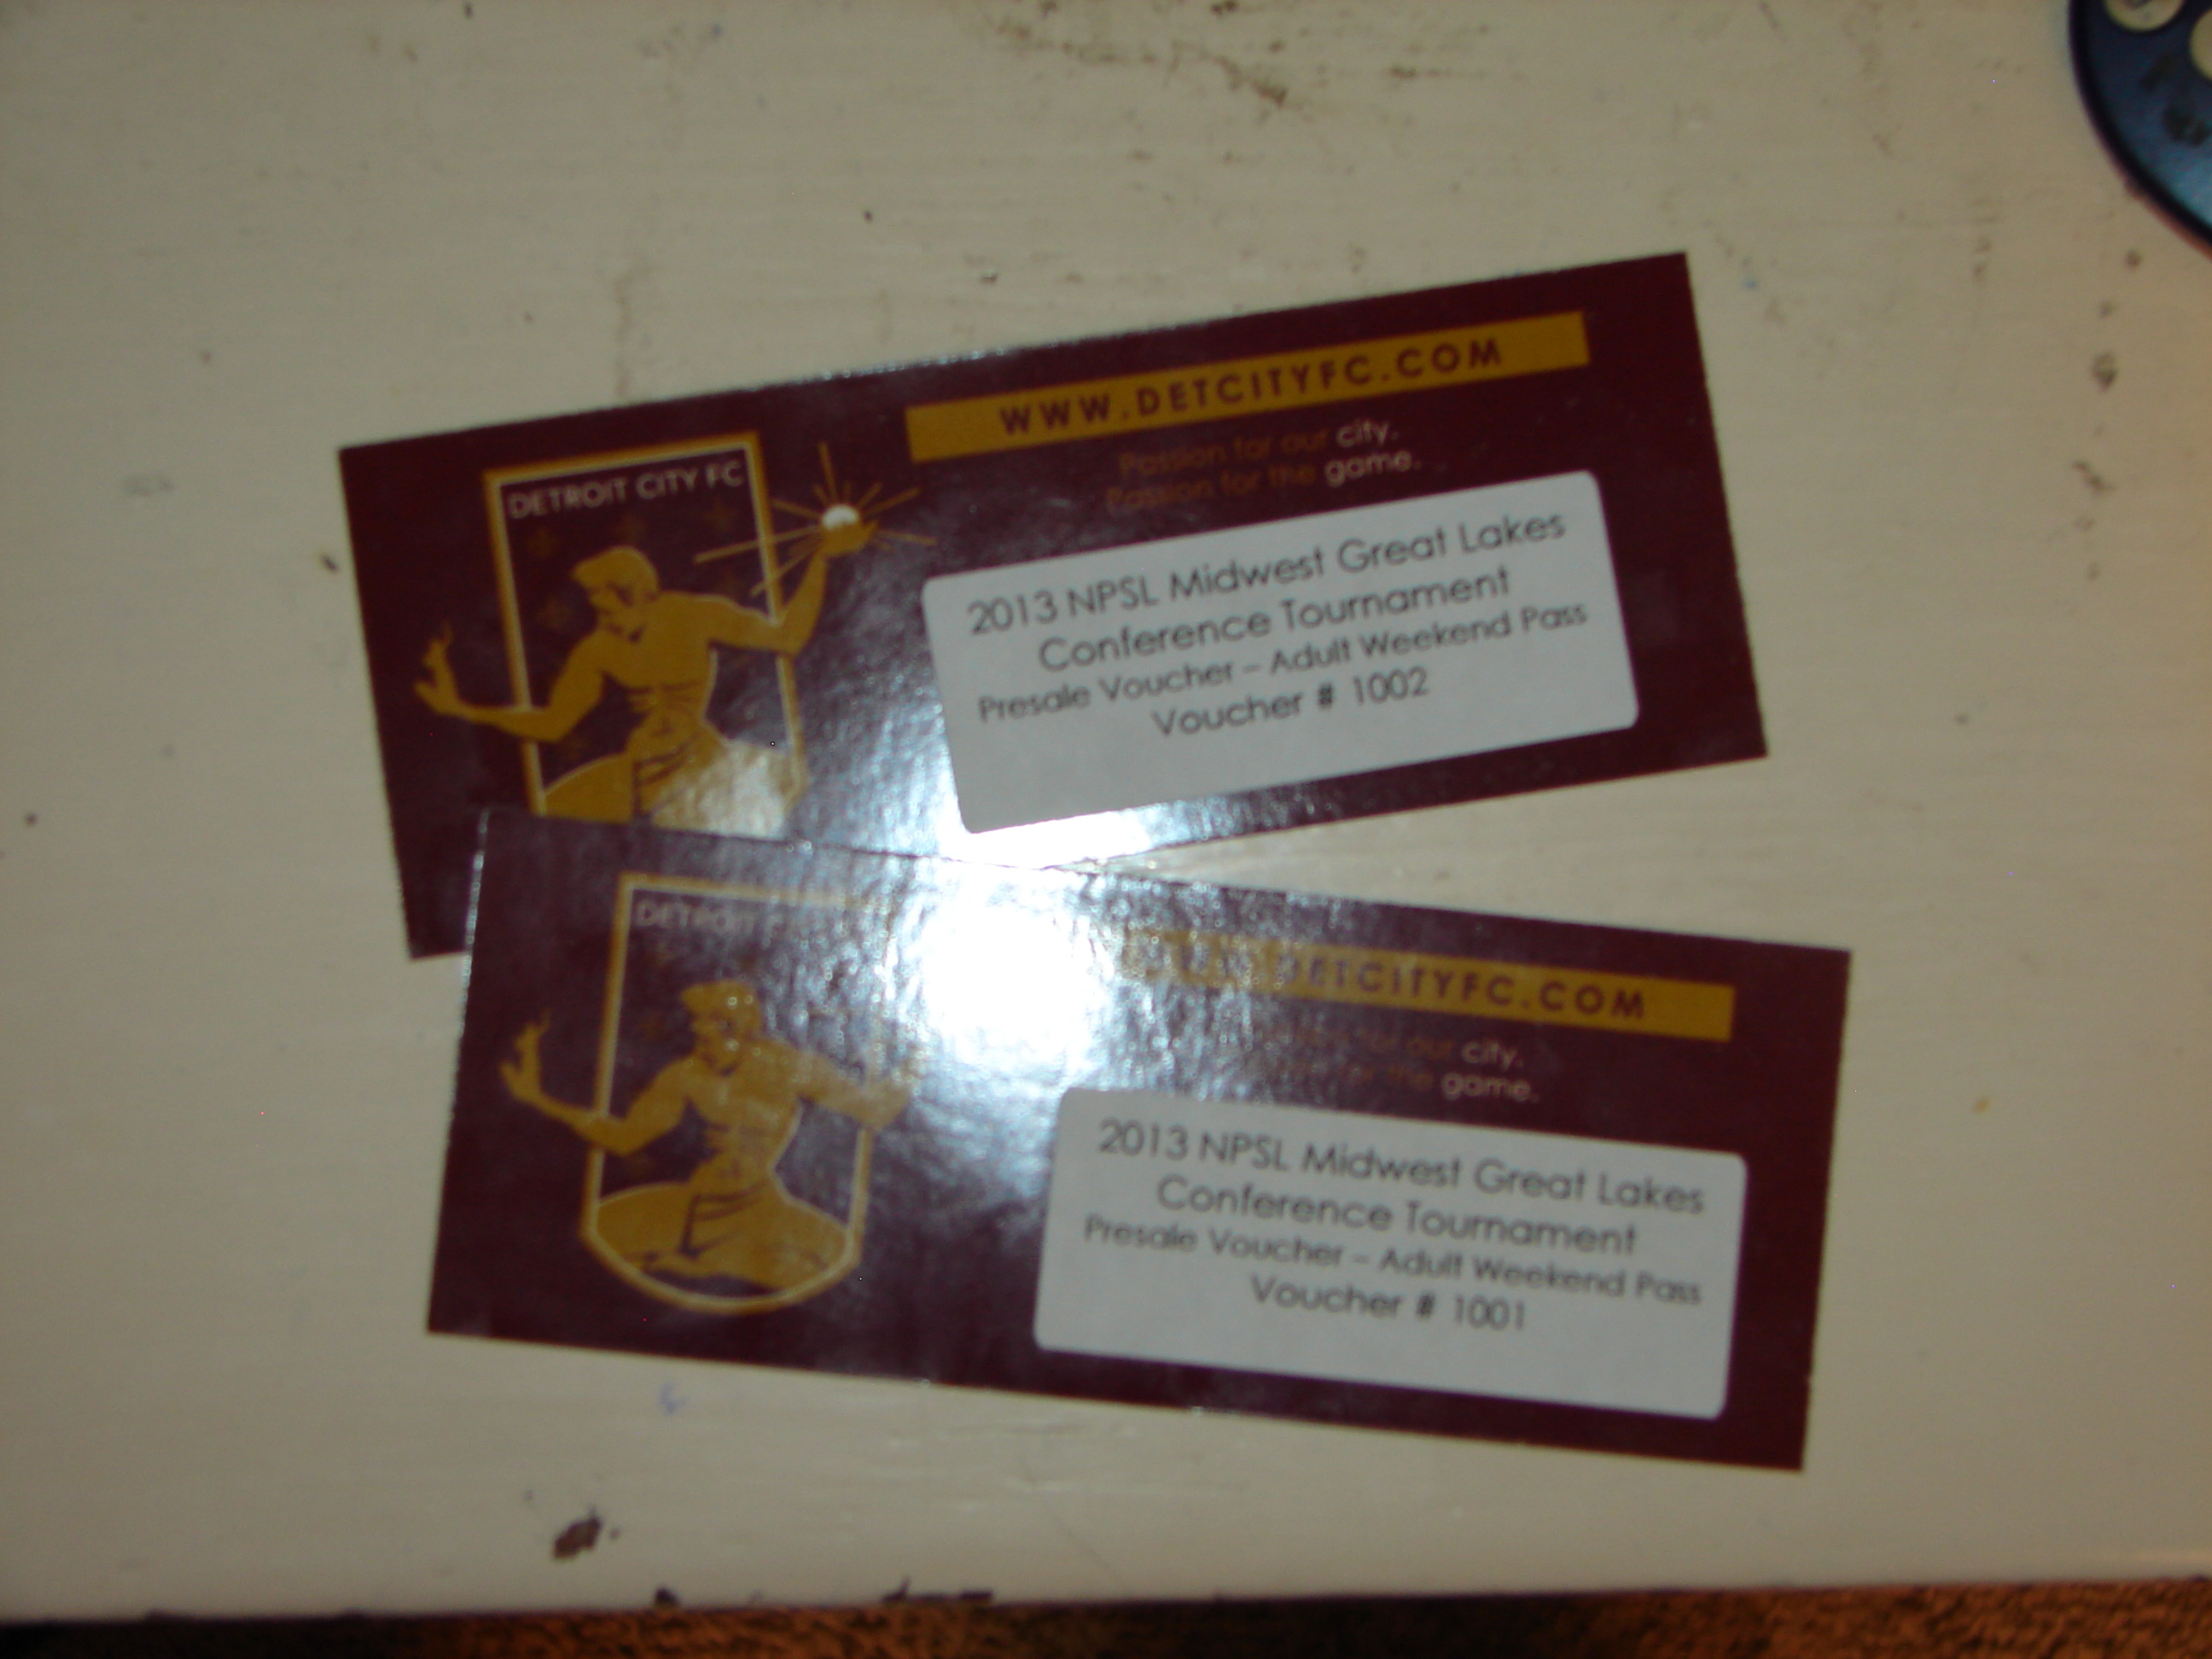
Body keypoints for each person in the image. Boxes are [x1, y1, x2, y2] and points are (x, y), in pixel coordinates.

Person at [416, 520, 870, 833]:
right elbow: (552, 724)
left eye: (607, 606)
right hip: (641, 768)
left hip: (704, 764)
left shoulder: (694, 615)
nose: (601, 618)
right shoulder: (598, 648)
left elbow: (787, 637)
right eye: (595, 608)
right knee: (549, 813)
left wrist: (821, 560)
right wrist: (465, 710)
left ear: (637, 595)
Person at [501, 980, 908, 1291]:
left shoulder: (790, 1068)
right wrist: (540, 1101)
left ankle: (705, 1264)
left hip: (760, 1208)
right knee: (607, 1244)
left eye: (706, 1023)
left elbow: (874, 1110)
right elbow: (625, 1138)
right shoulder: (685, 1075)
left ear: (737, 1028)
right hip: (697, 1207)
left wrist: (916, 1063)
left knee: (807, 1268)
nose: (697, 1031)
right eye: (695, 1023)